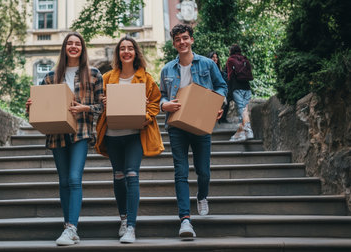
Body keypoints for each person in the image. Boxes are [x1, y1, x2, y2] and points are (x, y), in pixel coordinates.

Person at [25, 32, 104, 246]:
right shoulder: (51, 76)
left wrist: (85, 107)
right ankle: (69, 226)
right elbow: (42, 108)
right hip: (57, 133)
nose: (73, 46)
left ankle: (71, 228)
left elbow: (103, 106)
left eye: (77, 43)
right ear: (64, 48)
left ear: (82, 48)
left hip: (81, 131)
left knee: (73, 178)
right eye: (70, 43)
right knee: (63, 181)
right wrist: (31, 107)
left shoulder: (94, 74)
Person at [159, 24, 227, 240]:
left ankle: (202, 196)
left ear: (192, 40)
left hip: (199, 122)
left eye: (185, 38)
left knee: (203, 171)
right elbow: (160, 95)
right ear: (174, 43)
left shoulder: (207, 64)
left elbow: (222, 86)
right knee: (180, 171)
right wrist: (164, 105)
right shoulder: (167, 69)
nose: (182, 42)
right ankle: (185, 219)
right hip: (177, 126)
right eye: (178, 39)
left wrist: (219, 105)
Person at [95, 36, 164, 243]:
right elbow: (97, 103)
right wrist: (104, 101)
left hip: (135, 135)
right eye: (122, 48)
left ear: (136, 53)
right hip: (113, 135)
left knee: (132, 175)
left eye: (130, 48)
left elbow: (155, 103)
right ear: (118, 53)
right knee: (118, 176)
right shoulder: (107, 77)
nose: (126, 51)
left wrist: (146, 117)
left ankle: (131, 227)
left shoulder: (146, 78)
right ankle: (123, 219)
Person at [225, 44, 254, 141]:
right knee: (244, 110)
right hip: (247, 87)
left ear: (231, 51)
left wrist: (229, 90)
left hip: (237, 87)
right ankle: (240, 134)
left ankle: (249, 130)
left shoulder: (230, 60)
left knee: (241, 110)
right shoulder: (245, 59)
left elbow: (230, 76)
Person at [207, 51, 230, 124]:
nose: (215, 59)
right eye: (213, 57)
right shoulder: (206, 68)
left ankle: (221, 118)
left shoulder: (220, 70)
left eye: (216, 57)